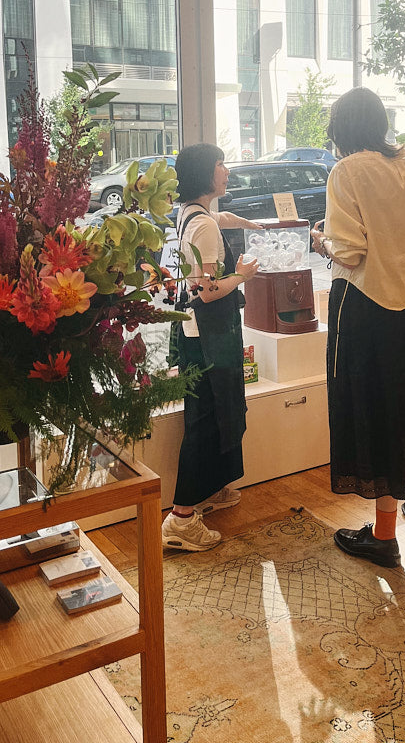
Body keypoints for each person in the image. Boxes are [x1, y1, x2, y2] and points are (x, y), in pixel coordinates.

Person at [311, 88, 405, 567]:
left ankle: (385, 535)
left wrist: (321, 241)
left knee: (372, 411)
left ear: (341, 128)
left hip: (364, 305)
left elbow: (350, 253)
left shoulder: (346, 171)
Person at [161, 144, 260, 551]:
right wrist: (242, 275)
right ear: (205, 173)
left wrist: (255, 225)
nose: (227, 170)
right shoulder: (203, 226)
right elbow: (205, 291)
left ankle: (212, 489)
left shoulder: (191, 213)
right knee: (204, 423)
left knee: (214, 415)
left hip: (195, 336)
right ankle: (181, 518)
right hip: (208, 339)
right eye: (220, 164)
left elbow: (222, 218)